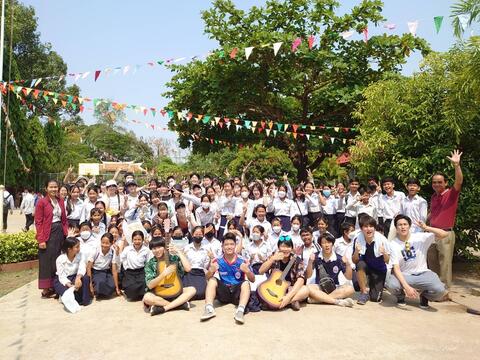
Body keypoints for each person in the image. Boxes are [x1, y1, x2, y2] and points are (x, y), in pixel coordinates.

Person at [386, 215, 449, 308]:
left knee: (440, 290)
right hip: (405, 275)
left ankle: (424, 296)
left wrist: (426, 228)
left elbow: (444, 234)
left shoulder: (420, 237)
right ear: (396, 228)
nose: (403, 227)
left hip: (423, 273)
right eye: (400, 225)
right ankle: (400, 296)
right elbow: (396, 268)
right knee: (391, 284)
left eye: (405, 224)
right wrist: (407, 287)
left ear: (409, 226)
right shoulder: (393, 244)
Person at [200, 232, 255, 324]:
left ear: (235, 246)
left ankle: (240, 311)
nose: (229, 247)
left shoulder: (243, 261)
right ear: (222, 246)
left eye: (231, 244)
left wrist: (247, 271)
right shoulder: (217, 260)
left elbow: (253, 279)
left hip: (237, 292)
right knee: (213, 280)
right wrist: (211, 271)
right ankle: (209, 308)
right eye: (226, 245)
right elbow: (207, 277)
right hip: (224, 292)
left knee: (245, 283)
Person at [428, 149, 463, 288]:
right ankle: (435, 288)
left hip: (445, 234)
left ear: (445, 182)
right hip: (431, 234)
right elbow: (432, 213)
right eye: (434, 182)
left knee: (445, 265)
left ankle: (445, 291)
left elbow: (459, 181)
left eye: (439, 182)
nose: (436, 184)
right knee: (433, 263)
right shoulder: (434, 197)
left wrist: (456, 165)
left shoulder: (451, 194)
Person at [143, 236, 196, 316]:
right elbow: (150, 285)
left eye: (159, 247)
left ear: (165, 247)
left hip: (175, 290)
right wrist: (163, 274)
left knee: (192, 290)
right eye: (154, 248)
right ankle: (179, 305)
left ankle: (165, 308)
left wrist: (178, 251)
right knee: (147, 297)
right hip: (159, 293)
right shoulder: (150, 263)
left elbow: (188, 269)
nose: (157, 250)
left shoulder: (174, 258)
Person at [35, 179, 69, 298]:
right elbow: (38, 222)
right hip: (47, 233)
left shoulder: (60, 200)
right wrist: (41, 239)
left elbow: (64, 219)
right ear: (46, 188)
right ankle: (45, 289)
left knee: (57, 259)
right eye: (51, 187)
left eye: (55, 187)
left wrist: (66, 233)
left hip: (59, 232)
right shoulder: (41, 202)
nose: (54, 189)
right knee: (46, 261)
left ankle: (55, 286)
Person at [258, 235, 309, 311]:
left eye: (288, 247)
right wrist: (272, 259)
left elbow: (301, 279)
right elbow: (260, 271)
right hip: (273, 288)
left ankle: (284, 302)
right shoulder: (274, 257)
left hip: (290, 289)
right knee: (260, 288)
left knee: (305, 290)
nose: (285, 249)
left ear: (291, 248)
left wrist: (288, 296)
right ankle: (292, 301)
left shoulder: (296, 260)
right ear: (278, 247)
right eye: (283, 247)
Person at [305, 233, 355, 307]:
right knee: (308, 288)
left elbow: (349, 277)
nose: (327, 245)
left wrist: (347, 264)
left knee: (350, 289)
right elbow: (308, 276)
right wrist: (310, 262)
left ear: (332, 244)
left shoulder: (339, 258)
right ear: (320, 245)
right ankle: (337, 301)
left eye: (329, 242)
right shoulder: (315, 256)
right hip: (320, 287)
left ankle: (318, 299)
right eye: (324, 243)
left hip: (335, 288)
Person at [352, 215, 391, 305]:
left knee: (375, 298)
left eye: (371, 226)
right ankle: (364, 292)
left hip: (379, 270)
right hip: (366, 267)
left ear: (374, 228)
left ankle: (375, 286)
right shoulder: (358, 239)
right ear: (361, 228)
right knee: (360, 264)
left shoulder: (382, 240)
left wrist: (384, 253)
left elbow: (388, 261)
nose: (369, 229)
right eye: (366, 226)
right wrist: (356, 252)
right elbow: (354, 261)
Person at [54, 236, 91, 308]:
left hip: (75, 276)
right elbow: (61, 277)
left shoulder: (80, 255)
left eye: (79, 246)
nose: (79, 249)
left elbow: (82, 267)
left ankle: (84, 300)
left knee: (86, 278)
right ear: (69, 249)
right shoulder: (60, 259)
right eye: (77, 247)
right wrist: (69, 285)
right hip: (63, 280)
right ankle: (64, 295)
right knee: (69, 294)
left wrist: (78, 277)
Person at [86, 232, 121, 299]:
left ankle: (102, 291)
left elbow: (114, 269)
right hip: (96, 272)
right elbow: (88, 267)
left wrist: (117, 287)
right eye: (103, 242)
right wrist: (90, 285)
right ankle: (97, 289)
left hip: (106, 271)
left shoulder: (112, 251)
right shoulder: (96, 250)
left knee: (112, 285)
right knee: (101, 283)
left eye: (107, 243)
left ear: (111, 243)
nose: (104, 245)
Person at [120, 230, 150, 301]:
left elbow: (148, 262)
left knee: (144, 285)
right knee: (131, 290)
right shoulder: (128, 249)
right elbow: (121, 258)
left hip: (141, 272)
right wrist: (126, 266)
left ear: (142, 240)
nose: (137, 241)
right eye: (135, 239)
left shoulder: (146, 250)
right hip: (130, 272)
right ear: (132, 240)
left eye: (139, 239)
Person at [183, 226, 211, 300]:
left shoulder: (206, 249)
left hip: (200, 273)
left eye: (200, 234)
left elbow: (206, 265)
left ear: (203, 235)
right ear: (192, 235)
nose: (198, 236)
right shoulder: (187, 248)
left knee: (200, 293)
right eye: (196, 234)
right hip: (189, 272)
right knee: (188, 292)